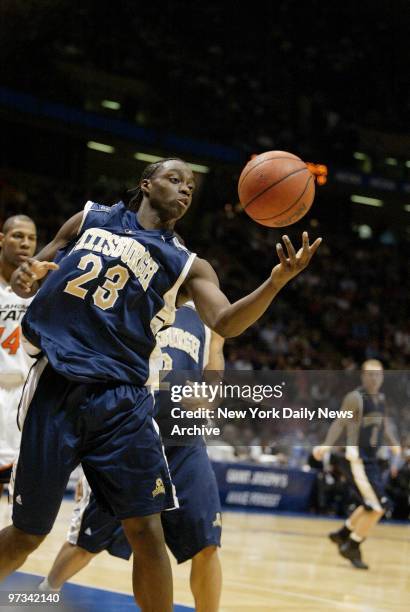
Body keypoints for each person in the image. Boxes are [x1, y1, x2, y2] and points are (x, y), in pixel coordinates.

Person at [0, 157, 321, 610]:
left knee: (146, 529)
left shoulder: (187, 264)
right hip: (59, 383)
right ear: (146, 184)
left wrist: (274, 281)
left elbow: (226, 322)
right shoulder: (91, 217)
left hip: (124, 401)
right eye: (175, 179)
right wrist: (26, 275)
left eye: (191, 186)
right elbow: (33, 271)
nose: (186, 190)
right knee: (28, 533)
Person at [39, 303, 224, 612]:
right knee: (88, 544)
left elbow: (216, 349)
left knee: (206, 543)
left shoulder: (206, 311)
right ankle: (41, 594)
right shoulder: (136, 293)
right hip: (128, 435)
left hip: (184, 440)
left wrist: (213, 389)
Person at [313, 359, 401, 569]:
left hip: (373, 460)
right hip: (358, 459)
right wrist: (326, 445)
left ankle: (343, 533)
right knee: (379, 507)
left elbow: (384, 424)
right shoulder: (355, 398)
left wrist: (394, 444)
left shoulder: (380, 399)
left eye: (378, 374)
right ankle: (352, 544)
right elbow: (340, 422)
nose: (374, 378)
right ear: (362, 376)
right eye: (370, 374)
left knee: (369, 503)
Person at [0, 215, 37, 499]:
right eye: (17, 236)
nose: (25, 243)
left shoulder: (40, 292)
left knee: (18, 497)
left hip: (24, 397)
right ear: (2, 239)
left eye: (31, 238)